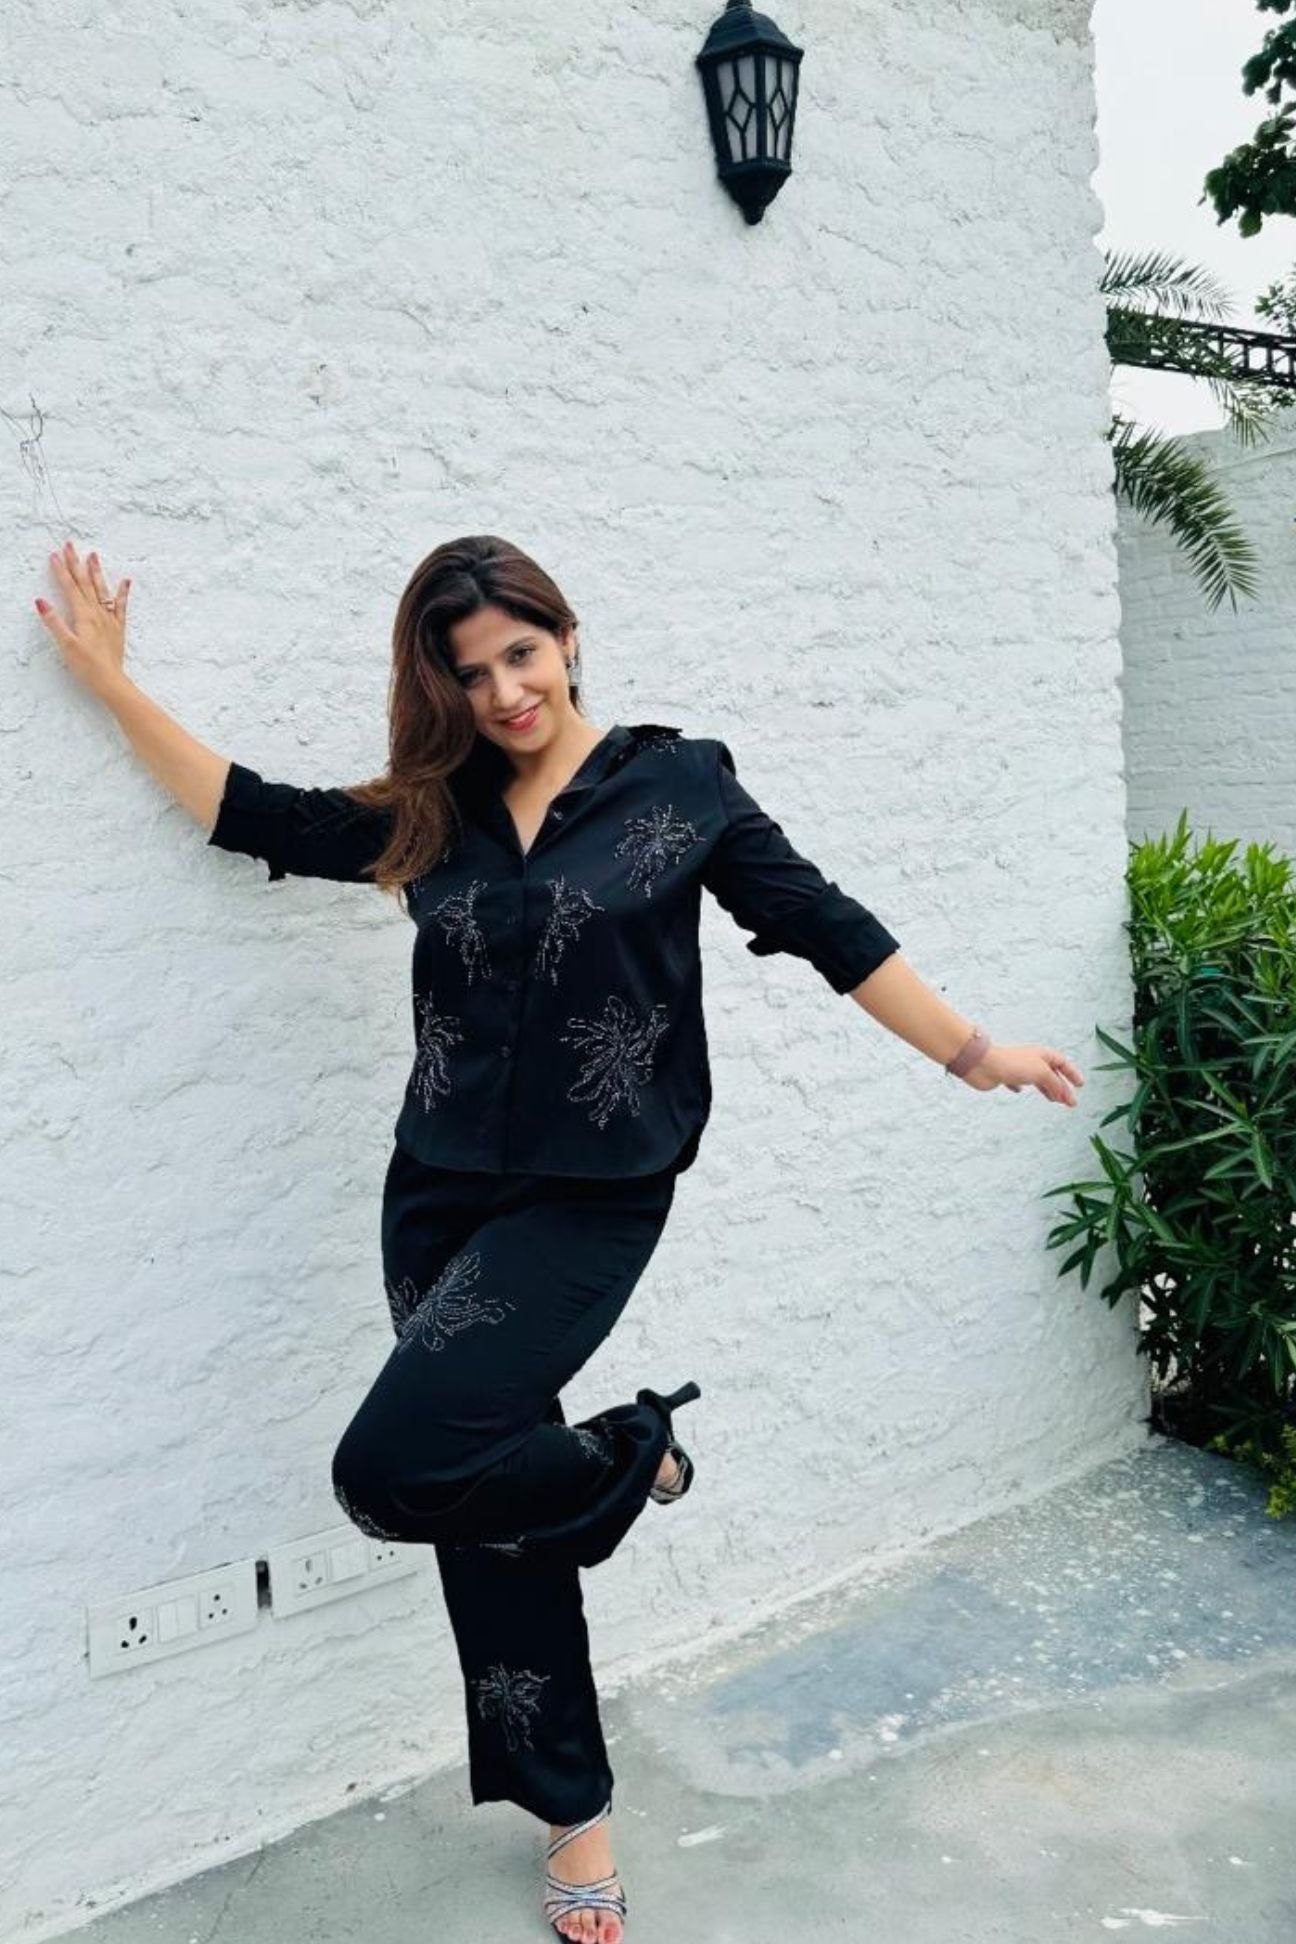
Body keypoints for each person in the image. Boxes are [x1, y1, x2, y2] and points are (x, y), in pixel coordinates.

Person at [35, 534, 1085, 1944]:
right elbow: (258, 815)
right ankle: (576, 1811)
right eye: (470, 675)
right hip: (438, 1190)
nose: (504, 693)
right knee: (484, 1510)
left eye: (520, 655)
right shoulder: (436, 812)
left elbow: (822, 925)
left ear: (567, 637)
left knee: (395, 1470)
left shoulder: (680, 784)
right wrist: (113, 684)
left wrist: (970, 1051)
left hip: (593, 1197)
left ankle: (628, 1451)